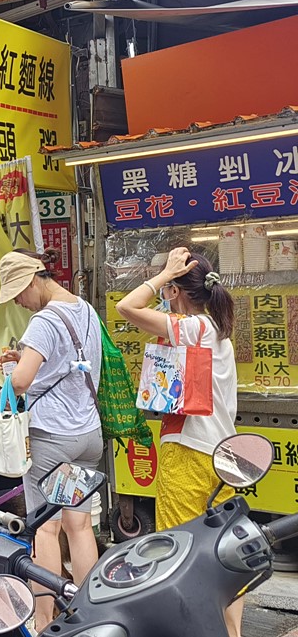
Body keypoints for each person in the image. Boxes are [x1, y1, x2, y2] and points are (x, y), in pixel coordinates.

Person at [114, 247, 241, 637]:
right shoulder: (220, 333)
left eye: (170, 286)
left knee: (181, 552)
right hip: (224, 456)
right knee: (225, 554)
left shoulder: (192, 327)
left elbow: (127, 307)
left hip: (188, 451)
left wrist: (160, 276)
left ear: (177, 288)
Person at [0, 249, 103, 627]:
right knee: (80, 525)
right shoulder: (86, 310)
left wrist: (8, 383)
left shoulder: (44, 321)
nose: (20, 303)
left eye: (19, 294)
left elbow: (21, 383)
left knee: (46, 527)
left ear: (31, 280)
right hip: (88, 433)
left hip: (51, 437)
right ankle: (89, 615)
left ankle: (43, 621)